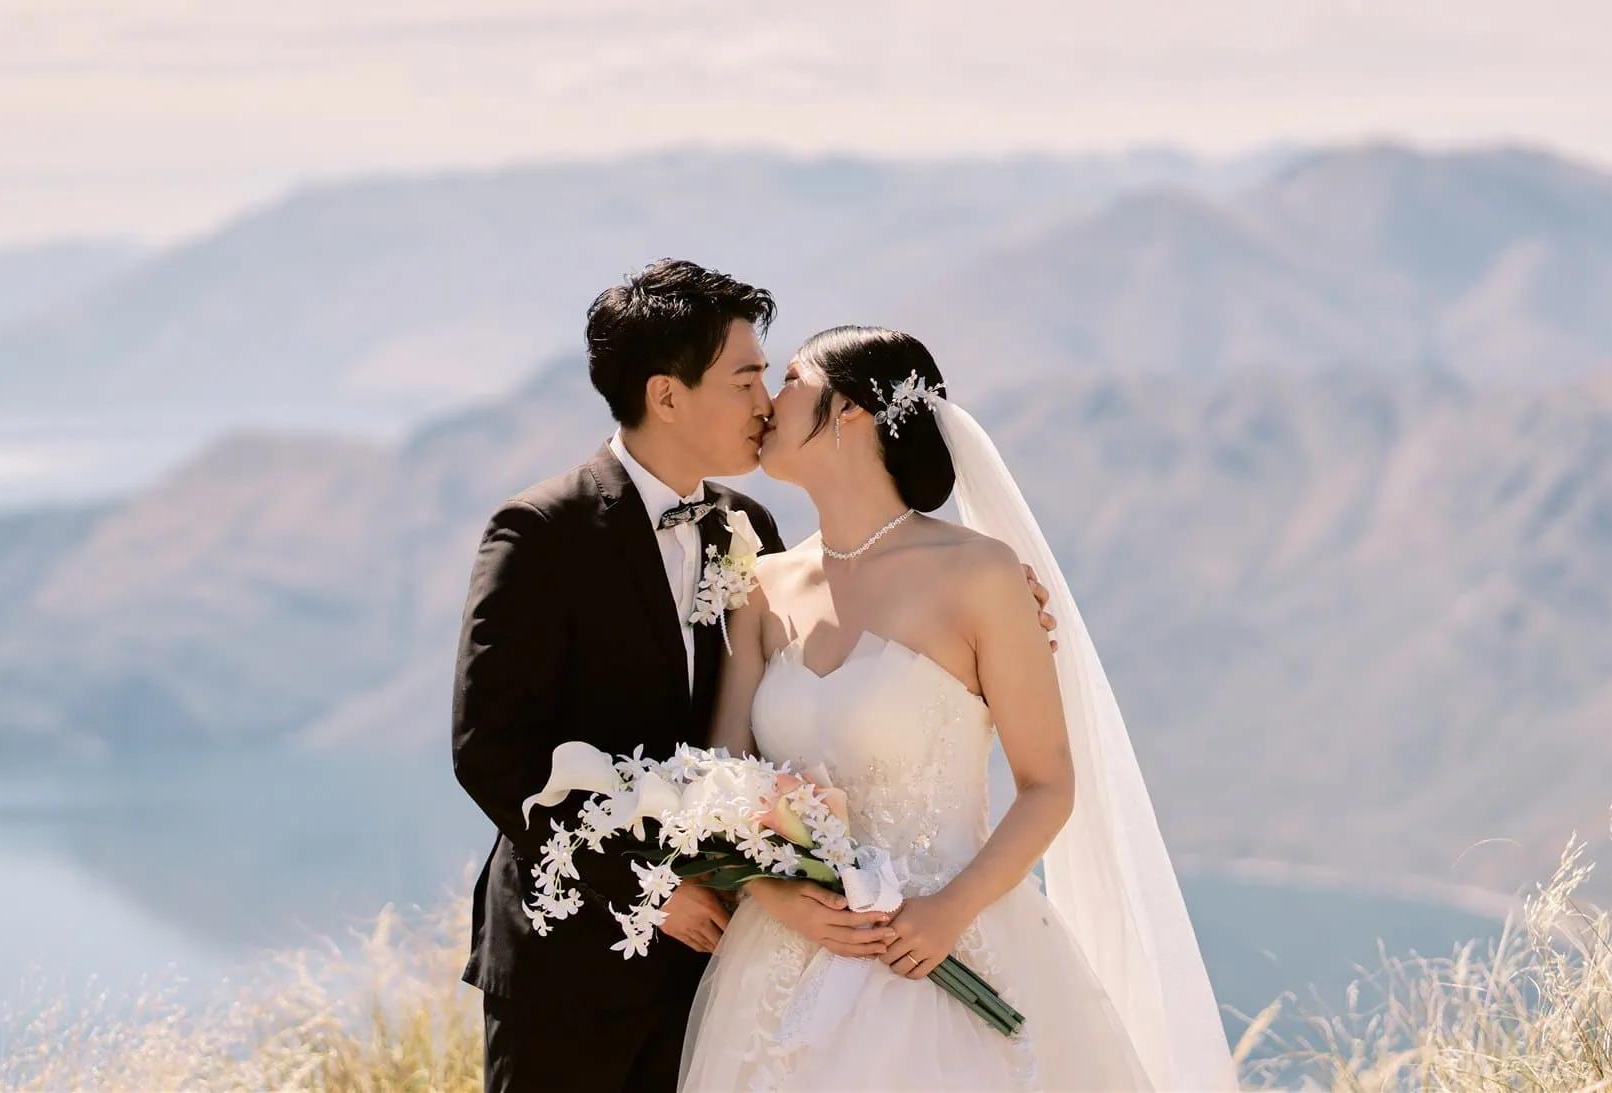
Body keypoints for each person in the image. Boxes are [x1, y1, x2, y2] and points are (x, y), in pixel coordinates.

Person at [453, 262, 1066, 1093]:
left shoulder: (748, 531)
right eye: (746, 379)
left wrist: (997, 607)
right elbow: (495, 754)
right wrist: (657, 885)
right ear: (668, 396)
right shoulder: (542, 533)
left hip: (730, 970)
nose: (764, 403)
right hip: (580, 959)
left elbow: (771, 721)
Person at [679, 326, 1238, 1092]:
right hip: (783, 968)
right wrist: (777, 895)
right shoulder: (759, 586)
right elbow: (722, 780)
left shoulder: (980, 575)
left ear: (853, 412)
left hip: (950, 944)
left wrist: (948, 912)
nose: (771, 400)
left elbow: (1048, 783)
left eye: (795, 379)